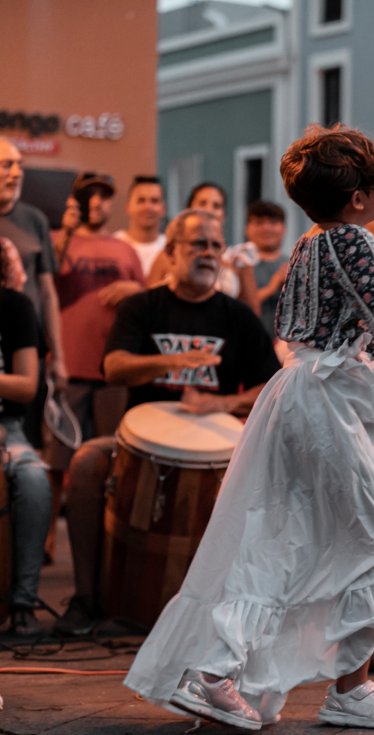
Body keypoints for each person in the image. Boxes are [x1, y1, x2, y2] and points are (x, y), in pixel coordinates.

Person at [123, 125, 374, 731]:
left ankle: (313, 680)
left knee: (291, 534)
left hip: (296, 396)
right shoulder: (356, 243)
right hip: (325, 406)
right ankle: (245, 675)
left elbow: (301, 325)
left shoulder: (311, 242)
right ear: (359, 199)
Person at [52, 208, 282, 638]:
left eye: (216, 245)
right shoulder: (143, 306)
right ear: (172, 252)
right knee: (85, 462)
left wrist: (223, 403)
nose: (210, 253)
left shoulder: (237, 317)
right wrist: (172, 361)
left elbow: (273, 384)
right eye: (199, 244)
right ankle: (86, 598)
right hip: (139, 441)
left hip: (218, 444)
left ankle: (238, 603)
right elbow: (115, 367)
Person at [44, 172, 145, 537]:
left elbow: (147, 299)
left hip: (112, 370)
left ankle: (106, 536)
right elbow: (45, 281)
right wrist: (67, 232)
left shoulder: (124, 249)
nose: (97, 203)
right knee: (57, 461)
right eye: (91, 196)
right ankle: (47, 540)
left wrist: (134, 287)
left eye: (104, 196)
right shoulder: (58, 240)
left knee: (112, 460)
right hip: (68, 366)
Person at [0, 136, 68, 438]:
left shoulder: (35, 220)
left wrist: (59, 356)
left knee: (27, 436)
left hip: (26, 343)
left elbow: (48, 292)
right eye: (6, 165)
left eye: (19, 165)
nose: (16, 173)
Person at [0, 258, 53, 636]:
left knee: (34, 479)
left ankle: (22, 601)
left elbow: (26, 386)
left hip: (8, 427)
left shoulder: (15, 306)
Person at [148, 183, 260, 314]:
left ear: (224, 215)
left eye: (216, 205)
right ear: (189, 210)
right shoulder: (169, 254)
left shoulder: (238, 259)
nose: (209, 210)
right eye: (202, 203)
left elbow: (252, 311)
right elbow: (150, 301)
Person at [227, 200, 289, 335]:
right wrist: (271, 288)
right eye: (259, 223)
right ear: (247, 228)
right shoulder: (236, 264)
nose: (266, 228)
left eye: (273, 222)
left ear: (284, 229)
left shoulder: (294, 264)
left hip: (287, 347)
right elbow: (233, 306)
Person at [115, 176, 167, 276]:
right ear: (127, 207)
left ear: (164, 209)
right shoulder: (112, 245)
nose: (148, 207)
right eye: (141, 200)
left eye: (154, 201)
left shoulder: (171, 248)